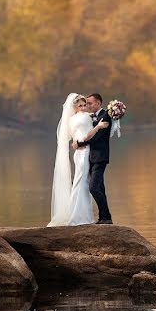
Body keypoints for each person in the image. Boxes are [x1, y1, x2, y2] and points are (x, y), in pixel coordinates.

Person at [47, 94, 110, 227]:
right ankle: (80, 216)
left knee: (83, 183)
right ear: (75, 107)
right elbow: (87, 135)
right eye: (80, 105)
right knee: (83, 183)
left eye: (85, 105)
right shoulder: (86, 117)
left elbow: (75, 136)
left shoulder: (71, 120)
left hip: (83, 153)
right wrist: (98, 126)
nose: (83, 107)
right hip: (85, 152)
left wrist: (78, 142)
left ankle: (93, 215)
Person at [72, 93, 112, 224]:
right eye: (85, 104)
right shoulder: (91, 117)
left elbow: (96, 138)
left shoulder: (105, 116)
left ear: (99, 103)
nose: (87, 106)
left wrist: (80, 144)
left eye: (90, 103)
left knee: (93, 188)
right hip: (90, 157)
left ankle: (105, 217)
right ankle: (105, 218)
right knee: (100, 188)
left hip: (100, 157)